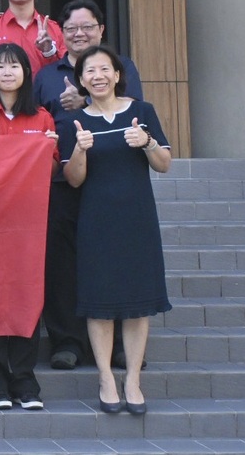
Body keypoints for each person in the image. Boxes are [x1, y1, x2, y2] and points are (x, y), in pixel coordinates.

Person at [60, 45, 171, 415]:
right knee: (100, 303)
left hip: (137, 219)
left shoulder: (142, 112)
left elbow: (164, 164)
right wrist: (80, 151)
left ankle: (133, 380)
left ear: (118, 74)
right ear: (81, 79)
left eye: (104, 69)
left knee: (138, 302)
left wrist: (148, 142)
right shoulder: (76, 121)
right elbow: (73, 179)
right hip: (96, 220)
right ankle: (106, 377)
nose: (98, 76)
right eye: (90, 71)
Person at [34, 0, 144, 371]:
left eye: (87, 27)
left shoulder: (120, 68)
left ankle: (120, 345)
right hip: (61, 181)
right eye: (71, 28)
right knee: (61, 264)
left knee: (112, 261)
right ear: (60, 33)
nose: (79, 34)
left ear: (101, 29)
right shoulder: (47, 75)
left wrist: (84, 99)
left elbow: (133, 112)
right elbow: (34, 120)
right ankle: (67, 342)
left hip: (110, 180)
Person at [0, 43, 58, 411]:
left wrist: (46, 150)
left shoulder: (41, 118)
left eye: (14, 66)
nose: (7, 73)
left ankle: (24, 379)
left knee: (26, 297)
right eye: (0, 66)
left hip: (28, 224)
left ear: (26, 73)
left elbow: (52, 171)